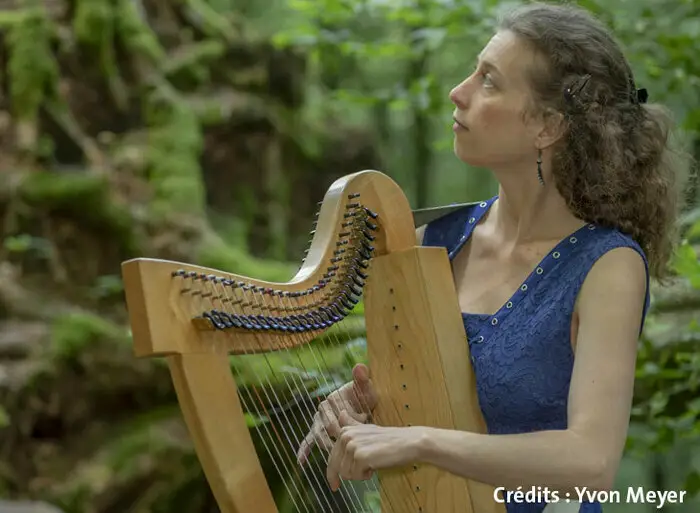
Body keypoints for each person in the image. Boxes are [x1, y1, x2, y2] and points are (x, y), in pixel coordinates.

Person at [296, 2, 686, 512]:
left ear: (547, 125)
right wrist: (361, 409)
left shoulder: (607, 266)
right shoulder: (433, 239)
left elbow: (589, 463)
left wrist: (420, 440)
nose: (458, 92)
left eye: (489, 81)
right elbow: (425, 396)